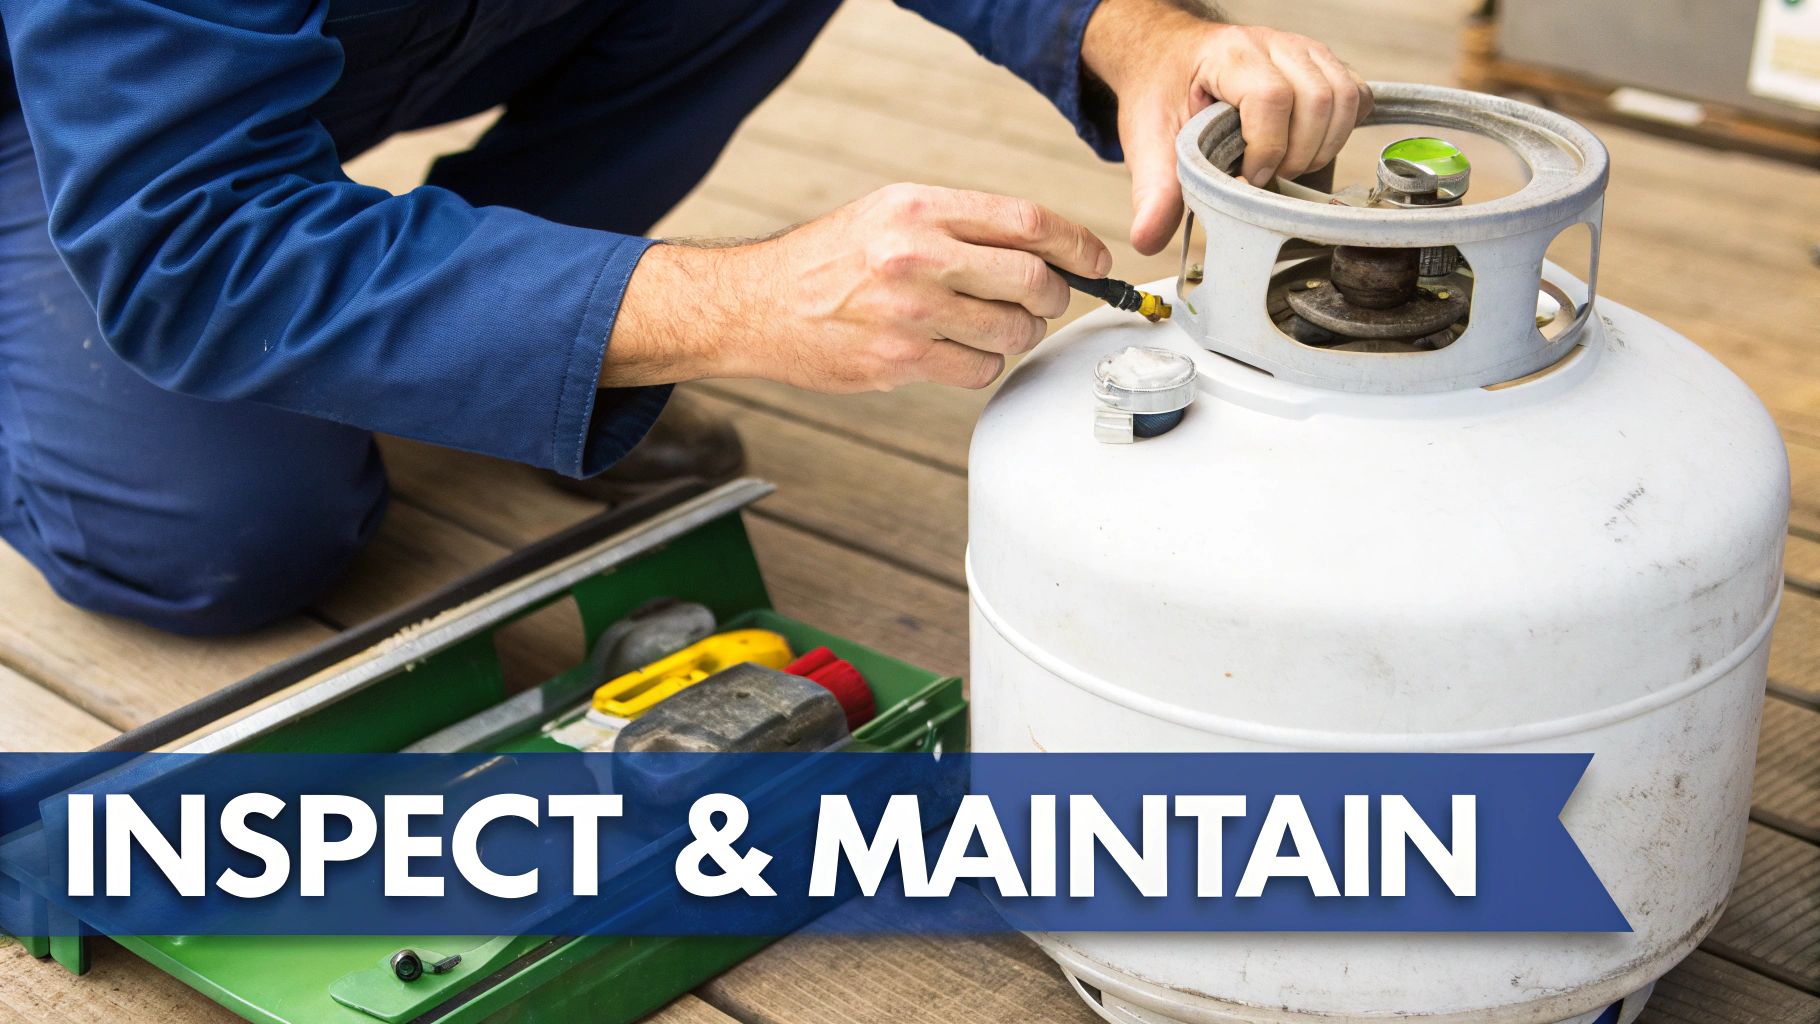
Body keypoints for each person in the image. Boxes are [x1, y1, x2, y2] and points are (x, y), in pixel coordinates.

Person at [0, 0, 1368, 635]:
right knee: (228, 541)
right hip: (81, 121)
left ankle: (515, 346)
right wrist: (735, 301)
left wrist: (1131, 29)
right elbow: (187, 237)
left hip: (337, 38)